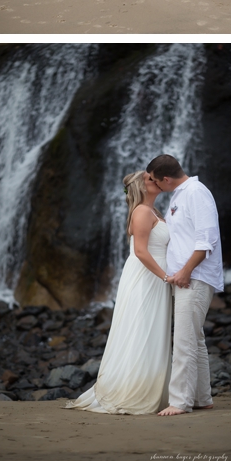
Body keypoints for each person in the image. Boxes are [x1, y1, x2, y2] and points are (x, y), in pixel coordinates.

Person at [65, 171, 172, 414]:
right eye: (149, 179)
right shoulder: (143, 211)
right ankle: (133, 390)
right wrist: (166, 276)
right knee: (140, 329)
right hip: (146, 277)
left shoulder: (153, 211)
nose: (155, 180)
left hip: (152, 277)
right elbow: (142, 251)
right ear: (141, 188)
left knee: (150, 329)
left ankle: (147, 386)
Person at [147, 154, 224, 416]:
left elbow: (207, 240)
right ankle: (203, 398)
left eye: (157, 182)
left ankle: (180, 401)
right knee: (195, 338)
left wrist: (185, 271)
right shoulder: (178, 195)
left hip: (194, 277)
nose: (156, 186)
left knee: (183, 340)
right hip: (185, 276)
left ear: (166, 178)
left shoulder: (196, 193)